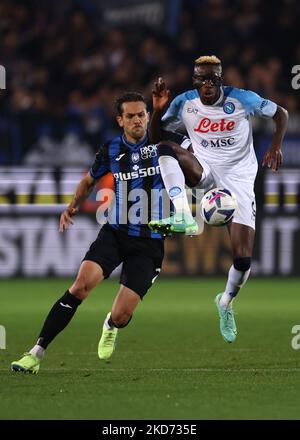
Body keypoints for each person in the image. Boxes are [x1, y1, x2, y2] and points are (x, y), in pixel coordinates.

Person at [11, 92, 189, 374]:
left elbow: (200, 160)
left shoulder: (167, 141)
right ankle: (35, 353)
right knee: (80, 286)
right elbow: (88, 181)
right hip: (115, 234)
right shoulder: (110, 150)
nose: (137, 120)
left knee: (122, 315)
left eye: (142, 114)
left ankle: (111, 325)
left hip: (150, 242)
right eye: (130, 116)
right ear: (120, 120)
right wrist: (71, 207)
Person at [148, 55, 289, 343]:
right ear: (194, 80)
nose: (208, 84)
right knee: (164, 147)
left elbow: (281, 114)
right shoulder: (184, 103)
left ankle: (225, 301)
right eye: (202, 78)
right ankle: (182, 214)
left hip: (239, 181)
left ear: (221, 79)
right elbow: (155, 136)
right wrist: (156, 111)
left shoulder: (241, 99)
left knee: (243, 259)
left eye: (213, 78)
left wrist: (275, 147)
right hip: (206, 172)